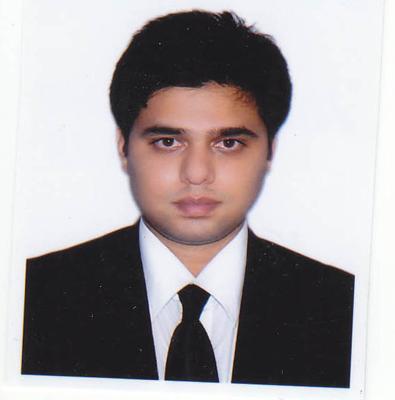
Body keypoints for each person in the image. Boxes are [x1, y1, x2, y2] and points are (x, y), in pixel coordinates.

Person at [21, 10, 354, 387]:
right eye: (168, 142)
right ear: (123, 147)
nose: (196, 173)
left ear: (270, 150)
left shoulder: (342, 308)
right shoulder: (33, 298)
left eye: (229, 143)